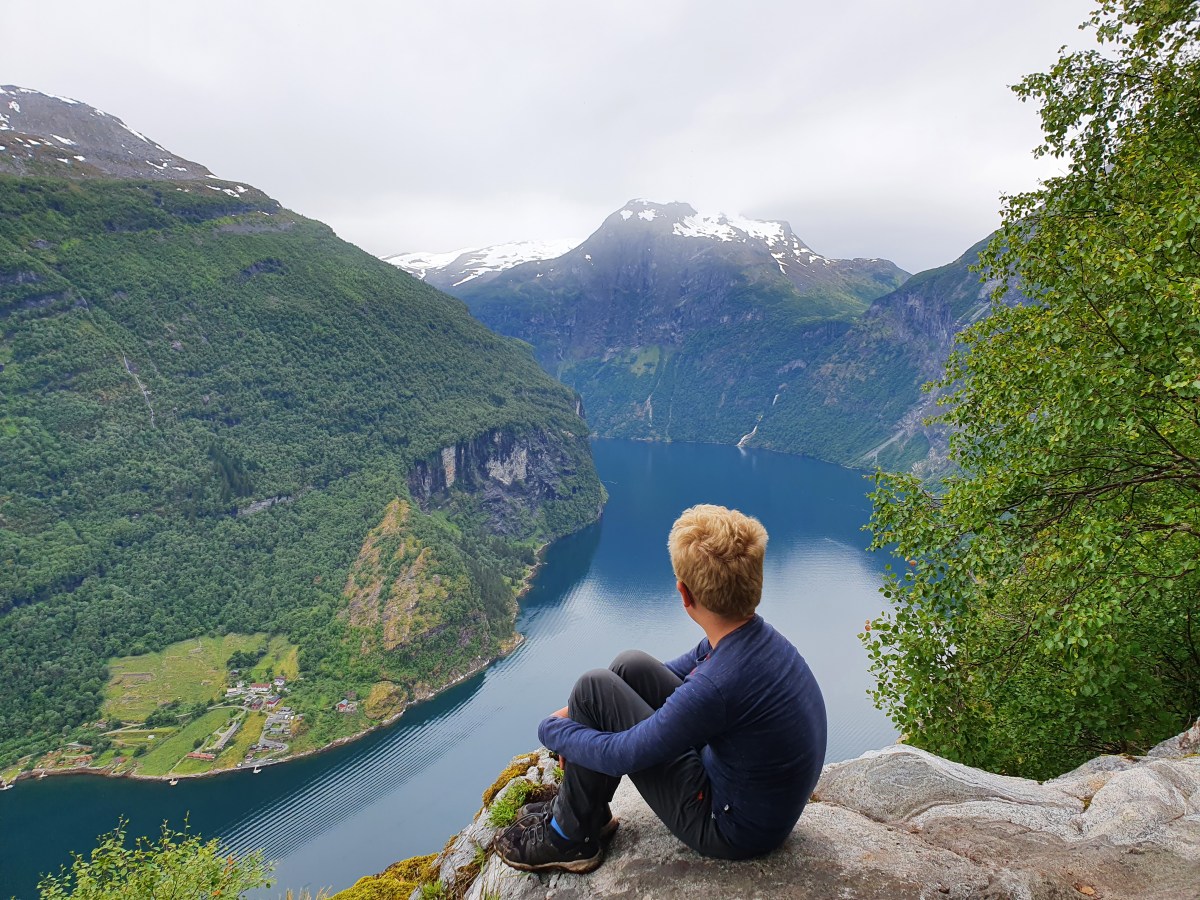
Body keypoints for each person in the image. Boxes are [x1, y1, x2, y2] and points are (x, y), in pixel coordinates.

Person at [494, 503, 828, 873]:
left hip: (729, 828)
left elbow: (624, 754)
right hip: (757, 801)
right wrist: (582, 713)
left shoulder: (717, 684)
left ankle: (568, 836)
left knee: (593, 686)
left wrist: (554, 731)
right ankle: (586, 811)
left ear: (684, 595)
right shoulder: (750, 638)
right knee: (627, 665)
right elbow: (669, 678)